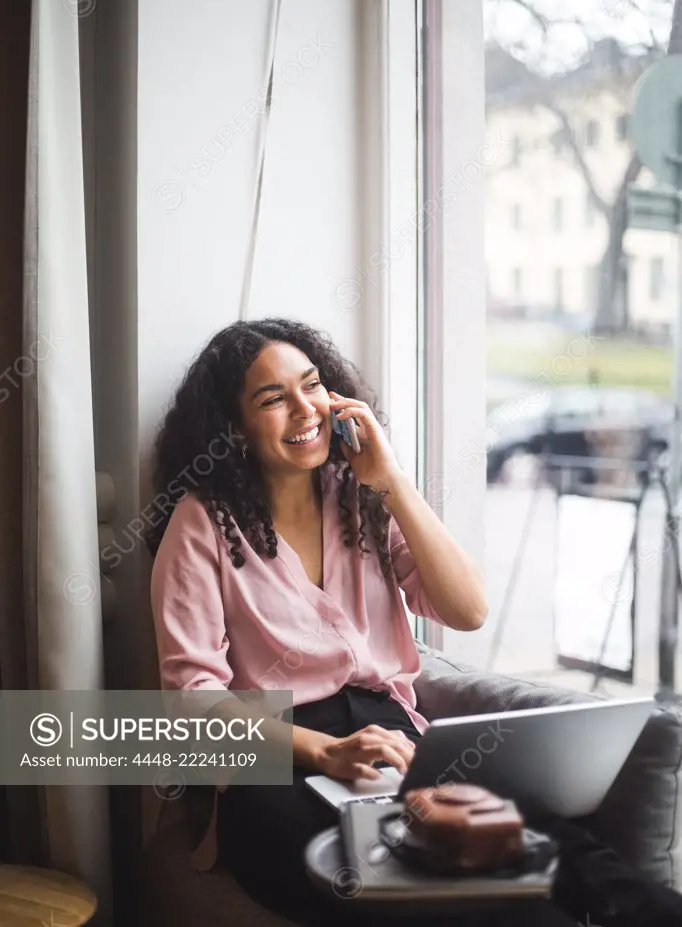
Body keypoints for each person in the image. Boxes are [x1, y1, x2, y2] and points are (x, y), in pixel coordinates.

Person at [147, 317, 682, 927]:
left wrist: (392, 480)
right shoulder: (202, 523)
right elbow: (191, 708)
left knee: (550, 845)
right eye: (272, 399)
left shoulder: (360, 494)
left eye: (312, 385)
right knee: (413, 883)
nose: (305, 409)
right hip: (277, 763)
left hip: (395, 741)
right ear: (235, 428)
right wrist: (325, 753)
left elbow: (467, 609)